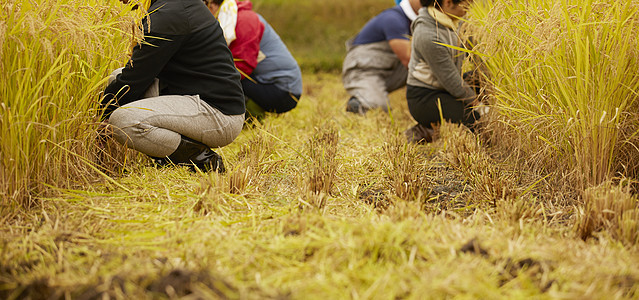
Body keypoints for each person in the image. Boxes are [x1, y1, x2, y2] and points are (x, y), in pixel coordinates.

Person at [101, 0, 246, 172]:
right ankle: (168, 153)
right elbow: (135, 75)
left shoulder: (168, 15)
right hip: (192, 95)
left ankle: (203, 159)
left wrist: (101, 116)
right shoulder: (173, 5)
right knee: (116, 76)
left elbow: (135, 79)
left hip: (219, 113)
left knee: (122, 121)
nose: (119, 1)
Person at [205, 0, 303, 117]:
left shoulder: (245, 20)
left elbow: (242, 67)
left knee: (225, 79)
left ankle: (248, 117)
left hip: (283, 91)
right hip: (272, 84)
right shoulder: (232, 17)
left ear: (212, 4)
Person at [404, 0, 479, 143]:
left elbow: (474, 53)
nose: (470, 8)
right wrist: (478, 105)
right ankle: (425, 130)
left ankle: (441, 121)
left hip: (446, 86)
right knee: (476, 121)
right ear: (448, 3)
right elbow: (451, 80)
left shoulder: (456, 20)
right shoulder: (428, 35)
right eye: (467, 3)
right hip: (426, 97)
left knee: (481, 79)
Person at [342, 0, 422, 114]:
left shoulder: (417, 20)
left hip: (388, 71)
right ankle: (359, 102)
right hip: (363, 70)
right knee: (378, 108)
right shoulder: (393, 18)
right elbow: (409, 60)